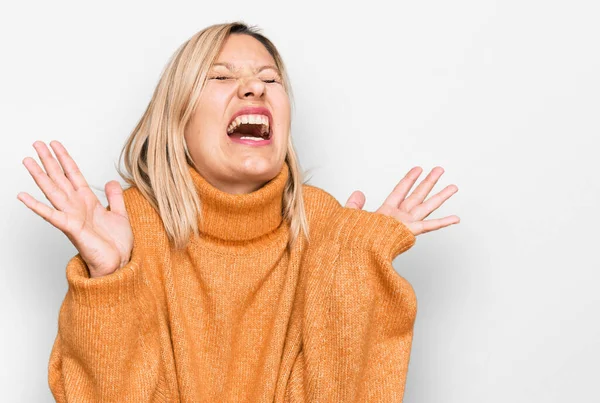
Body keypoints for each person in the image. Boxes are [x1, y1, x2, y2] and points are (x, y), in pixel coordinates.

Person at [17, 21, 460, 402]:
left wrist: (357, 263)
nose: (254, 87)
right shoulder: (128, 227)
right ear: (177, 118)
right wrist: (108, 281)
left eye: (270, 79)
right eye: (221, 77)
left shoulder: (327, 226)